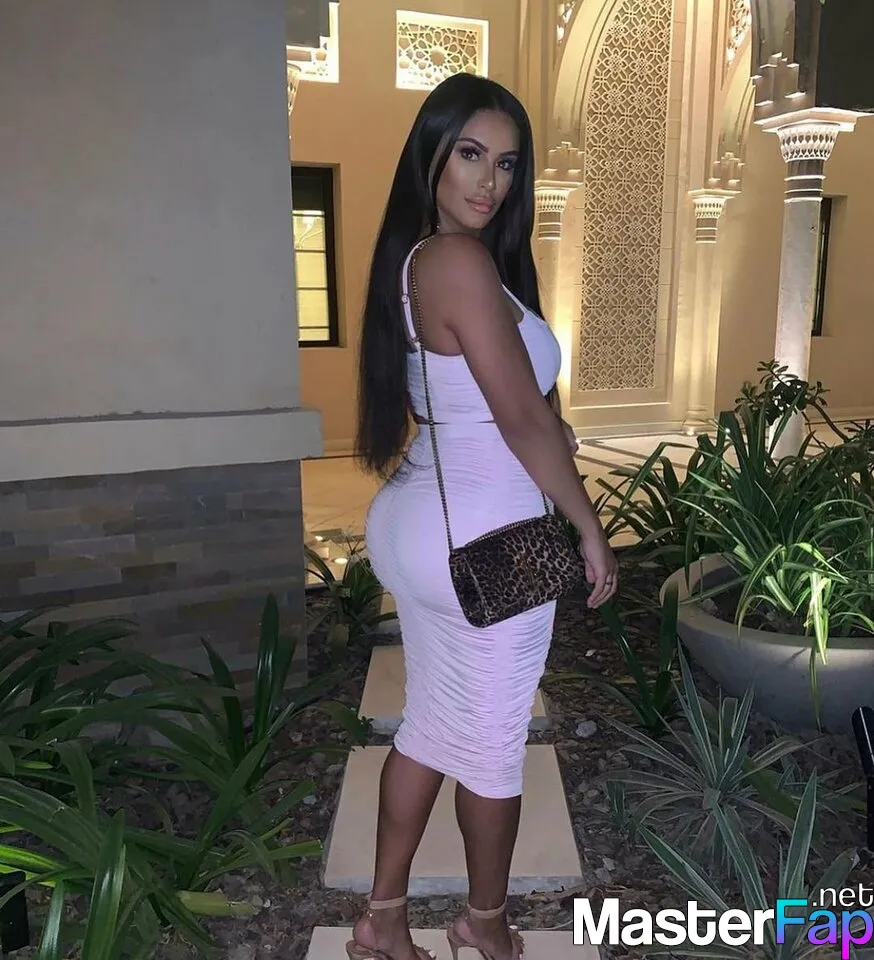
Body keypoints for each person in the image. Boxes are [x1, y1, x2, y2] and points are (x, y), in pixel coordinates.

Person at [350, 73, 618, 960]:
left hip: (428, 520)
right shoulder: (457, 262)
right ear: (430, 155)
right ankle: (485, 924)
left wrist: (547, 423)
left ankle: (383, 920)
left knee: (432, 723)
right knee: (494, 744)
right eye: (470, 154)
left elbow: (488, 399)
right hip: (487, 538)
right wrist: (587, 524)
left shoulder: (423, 259)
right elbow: (521, 420)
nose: (489, 180)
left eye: (506, 163)